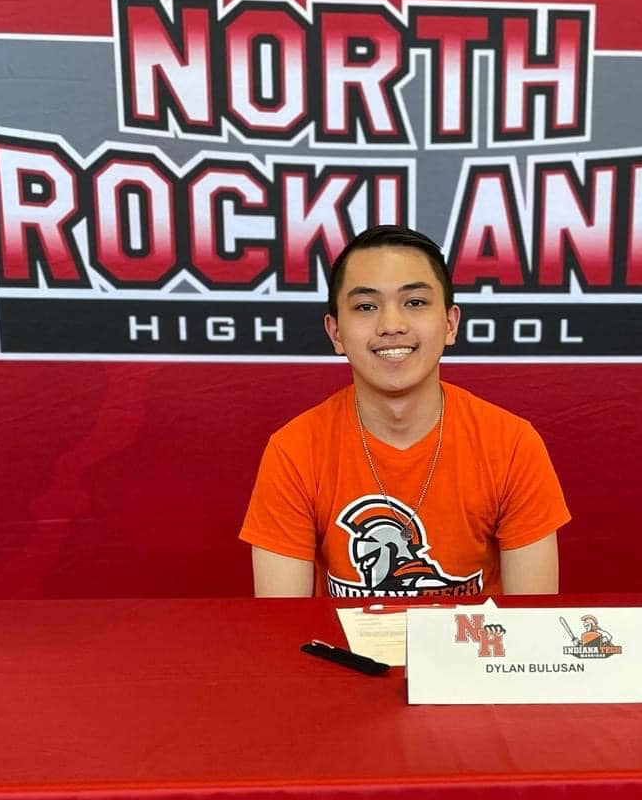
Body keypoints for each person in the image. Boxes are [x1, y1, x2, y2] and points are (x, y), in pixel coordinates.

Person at [241, 226, 569, 599]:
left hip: (474, 655)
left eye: (414, 302)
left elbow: (533, 625)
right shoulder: (294, 450)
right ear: (335, 333)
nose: (391, 326)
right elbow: (283, 629)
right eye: (366, 306)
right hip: (345, 657)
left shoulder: (512, 444)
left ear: (450, 324)